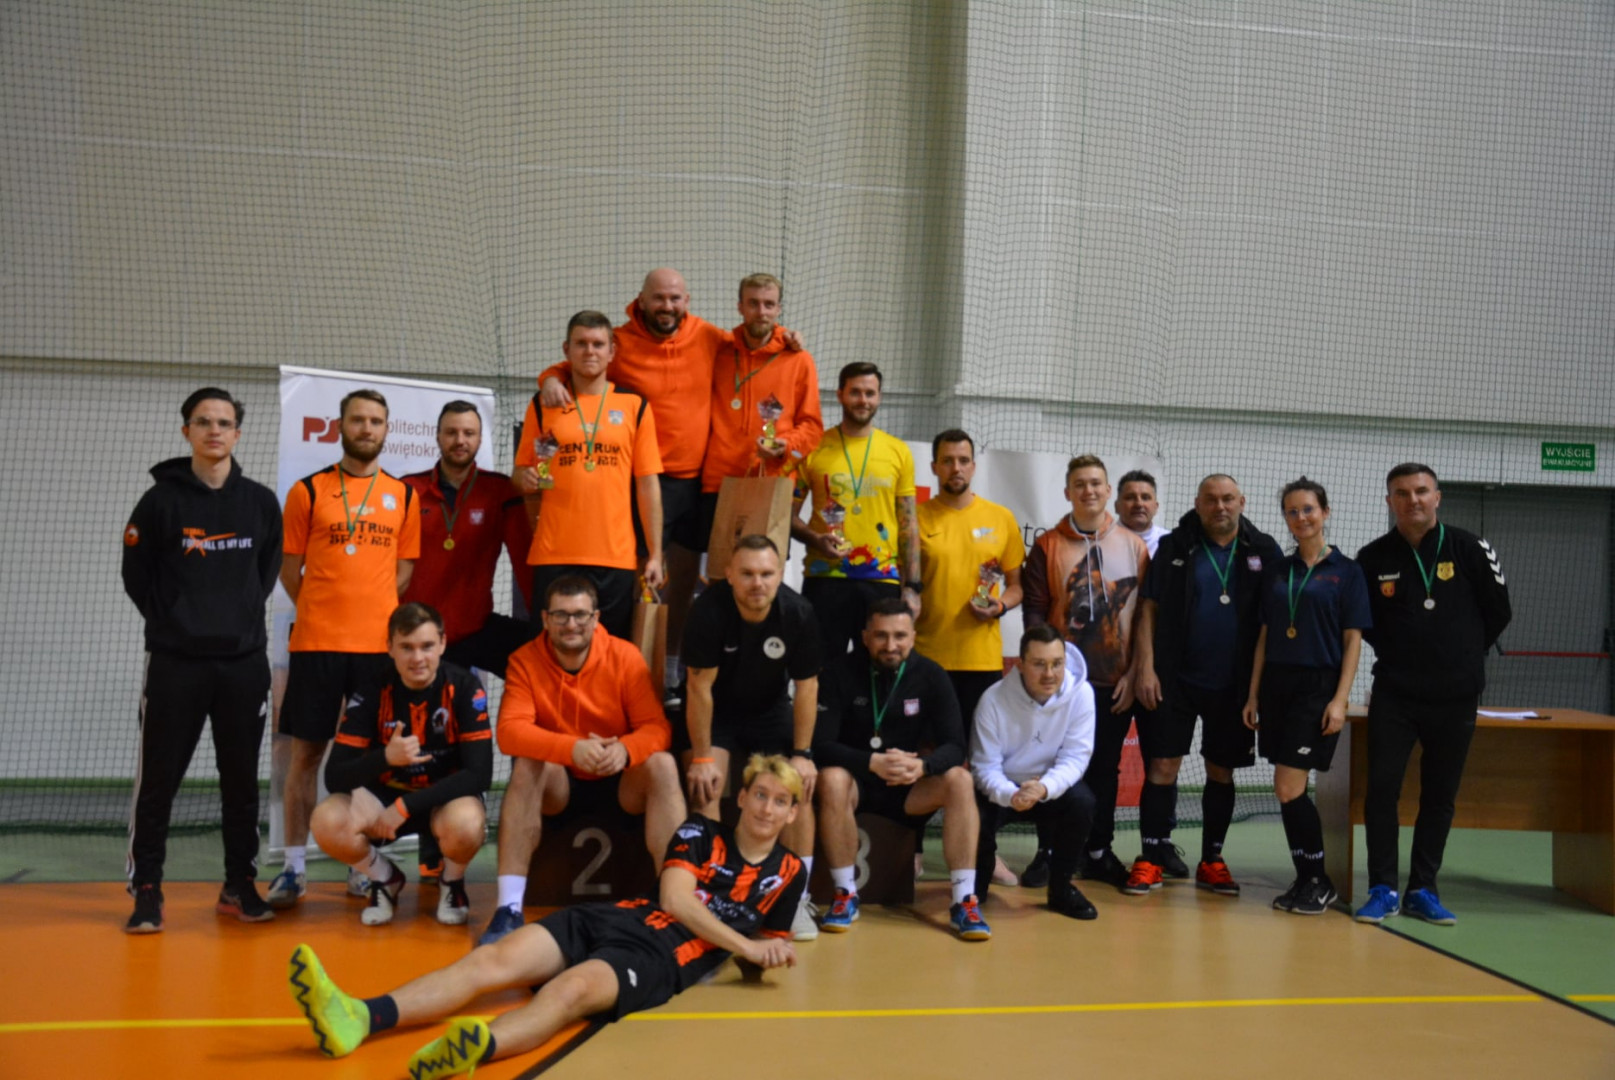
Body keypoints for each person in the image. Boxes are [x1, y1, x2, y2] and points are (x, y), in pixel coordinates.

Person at [287, 755, 808, 1078]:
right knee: (489, 961)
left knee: (570, 992)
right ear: (742, 798)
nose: (766, 808)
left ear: (791, 813)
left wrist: (766, 955)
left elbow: (764, 951)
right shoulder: (700, 833)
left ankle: (476, 1049)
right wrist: (748, 945)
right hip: (615, 918)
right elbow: (676, 899)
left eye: (780, 801)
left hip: (657, 956)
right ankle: (359, 1016)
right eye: (760, 795)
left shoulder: (788, 874)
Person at [535, 271, 804, 692]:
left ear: (687, 301)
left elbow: (753, 339)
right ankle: (628, 672)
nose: (667, 306)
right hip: (642, 482)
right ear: (641, 300)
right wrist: (550, 378)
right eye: (658, 298)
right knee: (643, 580)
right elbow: (582, 357)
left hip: (695, 480)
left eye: (675, 298)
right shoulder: (620, 341)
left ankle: (675, 666)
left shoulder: (708, 336)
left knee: (684, 579)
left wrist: (784, 335)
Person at [120, 387, 282, 932]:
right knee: (158, 781)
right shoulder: (159, 503)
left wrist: (234, 620)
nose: (214, 430)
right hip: (175, 665)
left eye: (224, 422)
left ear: (238, 433)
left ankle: (239, 885)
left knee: (240, 781)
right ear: (186, 430)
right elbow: (136, 576)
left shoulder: (260, 503)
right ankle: (147, 889)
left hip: (243, 665)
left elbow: (264, 575)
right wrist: (177, 622)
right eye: (204, 421)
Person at [271, 388, 420, 908]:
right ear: (340, 427)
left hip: (376, 652)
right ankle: (293, 868)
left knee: (369, 762)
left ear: (386, 430)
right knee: (306, 755)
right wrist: (323, 609)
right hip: (316, 646)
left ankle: (362, 864)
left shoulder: (403, 497)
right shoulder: (307, 492)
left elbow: (404, 571)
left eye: (376, 421)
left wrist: (369, 612)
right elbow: (290, 570)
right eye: (357, 420)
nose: (366, 429)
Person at [479, 576, 683, 946]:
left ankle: (677, 904)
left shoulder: (624, 656)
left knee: (663, 765)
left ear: (595, 618)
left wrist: (624, 750)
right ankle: (508, 907)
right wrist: (572, 749)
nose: (570, 624)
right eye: (560, 615)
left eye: (580, 615)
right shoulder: (524, 661)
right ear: (545, 619)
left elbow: (657, 728)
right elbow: (509, 733)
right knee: (527, 763)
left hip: (620, 782)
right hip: (561, 786)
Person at [1353, 463, 1511, 926]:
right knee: (1381, 790)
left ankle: (1423, 888)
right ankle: (1382, 888)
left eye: (1421, 491)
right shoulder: (1372, 557)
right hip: (1395, 695)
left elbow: (1499, 610)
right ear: (1390, 502)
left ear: (1437, 497)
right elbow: (1365, 624)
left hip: (1456, 696)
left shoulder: (1470, 547)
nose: (1413, 500)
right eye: (1402, 493)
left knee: (1439, 795)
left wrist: (1460, 655)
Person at [1129, 474, 1282, 898]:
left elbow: (1273, 622)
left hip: (1233, 685)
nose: (1220, 507)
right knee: (1162, 767)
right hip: (1174, 679)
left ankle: (1212, 859)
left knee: (1221, 770)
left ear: (1241, 502)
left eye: (1228, 499)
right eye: (1211, 500)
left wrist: (1259, 689)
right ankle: (1151, 857)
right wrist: (1146, 668)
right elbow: (1148, 608)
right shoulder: (1175, 546)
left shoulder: (1263, 550)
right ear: (1198, 504)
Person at [814, 599, 986, 940]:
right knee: (831, 778)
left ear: (913, 637)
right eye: (881, 635)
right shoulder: (837, 672)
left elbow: (955, 746)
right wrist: (871, 762)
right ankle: (845, 895)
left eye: (899, 636)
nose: (890, 645)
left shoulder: (932, 675)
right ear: (865, 637)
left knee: (960, 780)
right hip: (857, 784)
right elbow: (820, 744)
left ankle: (963, 900)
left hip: (910, 788)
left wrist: (923, 766)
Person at [311, 603, 492, 926]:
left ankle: (451, 883)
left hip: (442, 801)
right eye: (406, 647)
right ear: (390, 648)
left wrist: (406, 806)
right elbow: (334, 776)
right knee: (327, 821)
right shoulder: (372, 689)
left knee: (467, 824)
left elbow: (479, 775)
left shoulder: (465, 687)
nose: (417, 658)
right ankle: (385, 878)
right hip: (383, 803)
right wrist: (385, 758)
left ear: (443, 644)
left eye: (426, 646)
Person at [1241, 478, 1371, 915]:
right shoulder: (1278, 570)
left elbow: (1352, 640)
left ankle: (1318, 880)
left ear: (1325, 512)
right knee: (1286, 792)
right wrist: (1253, 695)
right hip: (1277, 685)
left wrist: (1339, 700)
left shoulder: (1347, 572)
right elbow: (1264, 636)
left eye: (1309, 509)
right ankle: (1306, 878)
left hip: (1318, 688)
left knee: (1287, 785)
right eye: (1292, 511)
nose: (1301, 518)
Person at [681, 534, 821, 940]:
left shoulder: (798, 612)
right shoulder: (707, 611)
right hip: (718, 712)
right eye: (747, 574)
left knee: (797, 786)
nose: (757, 583)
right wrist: (703, 757)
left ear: (779, 575)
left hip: (769, 712)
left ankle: (797, 899)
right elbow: (698, 688)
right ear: (729, 574)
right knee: (706, 786)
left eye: (766, 574)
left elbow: (807, 687)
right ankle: (709, 898)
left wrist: (802, 753)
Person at [1022, 455, 1150, 892]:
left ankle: (1098, 851)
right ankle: (1048, 851)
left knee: (1105, 770)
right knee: (1051, 766)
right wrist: (1041, 672)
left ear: (1107, 490)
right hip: (1060, 687)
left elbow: (1145, 617)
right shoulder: (1048, 545)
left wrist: (1134, 672)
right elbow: (1035, 610)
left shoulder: (1134, 546)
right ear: (1067, 492)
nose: (1089, 491)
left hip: (1114, 682)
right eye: (1080, 484)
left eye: (1096, 483)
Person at [913, 429, 1024, 886]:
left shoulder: (1000, 518)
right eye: (947, 460)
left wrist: (999, 607)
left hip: (980, 662)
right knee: (922, 757)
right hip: (925, 660)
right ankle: (911, 847)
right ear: (934, 467)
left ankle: (984, 855)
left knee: (983, 763)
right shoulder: (916, 518)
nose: (955, 468)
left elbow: (1016, 585)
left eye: (963, 460)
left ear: (973, 466)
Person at [514, 311, 665, 641]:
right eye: (581, 344)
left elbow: (647, 485)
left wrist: (655, 554)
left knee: (609, 655)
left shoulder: (634, 405)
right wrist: (524, 478)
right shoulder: (543, 404)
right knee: (551, 653)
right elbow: (520, 471)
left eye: (598, 344)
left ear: (612, 352)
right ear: (566, 350)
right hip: (555, 553)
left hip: (615, 556)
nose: (590, 351)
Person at [791, 362, 920, 663]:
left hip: (882, 581)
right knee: (820, 670)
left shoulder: (898, 451)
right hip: (825, 578)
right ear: (840, 395)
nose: (863, 400)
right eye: (855, 392)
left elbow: (908, 523)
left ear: (879, 397)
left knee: (879, 670)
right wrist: (815, 538)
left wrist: (913, 587)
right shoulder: (814, 448)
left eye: (870, 393)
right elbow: (787, 515)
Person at [971, 626, 1100, 921]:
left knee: (1083, 802)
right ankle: (976, 887)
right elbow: (984, 767)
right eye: (1039, 664)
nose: (1049, 674)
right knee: (972, 807)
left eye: (1057, 663)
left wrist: (1044, 788)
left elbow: (1075, 757)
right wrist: (1011, 794)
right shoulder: (992, 699)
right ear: (1020, 664)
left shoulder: (1081, 694)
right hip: (1004, 788)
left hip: (1048, 788)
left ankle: (1061, 890)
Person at [401, 401, 534, 676]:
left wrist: (545, 618)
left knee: (539, 661)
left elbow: (525, 561)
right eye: (451, 432)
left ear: (480, 439)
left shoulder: (499, 490)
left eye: (468, 433)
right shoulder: (408, 490)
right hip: (418, 631)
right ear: (438, 436)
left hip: (475, 628)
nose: (460, 440)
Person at [1116, 470, 1169, 557]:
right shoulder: (1100, 542)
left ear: (1156, 507)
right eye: (1130, 497)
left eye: (1145, 498)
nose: (1139, 504)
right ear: (1117, 506)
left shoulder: (1170, 543)